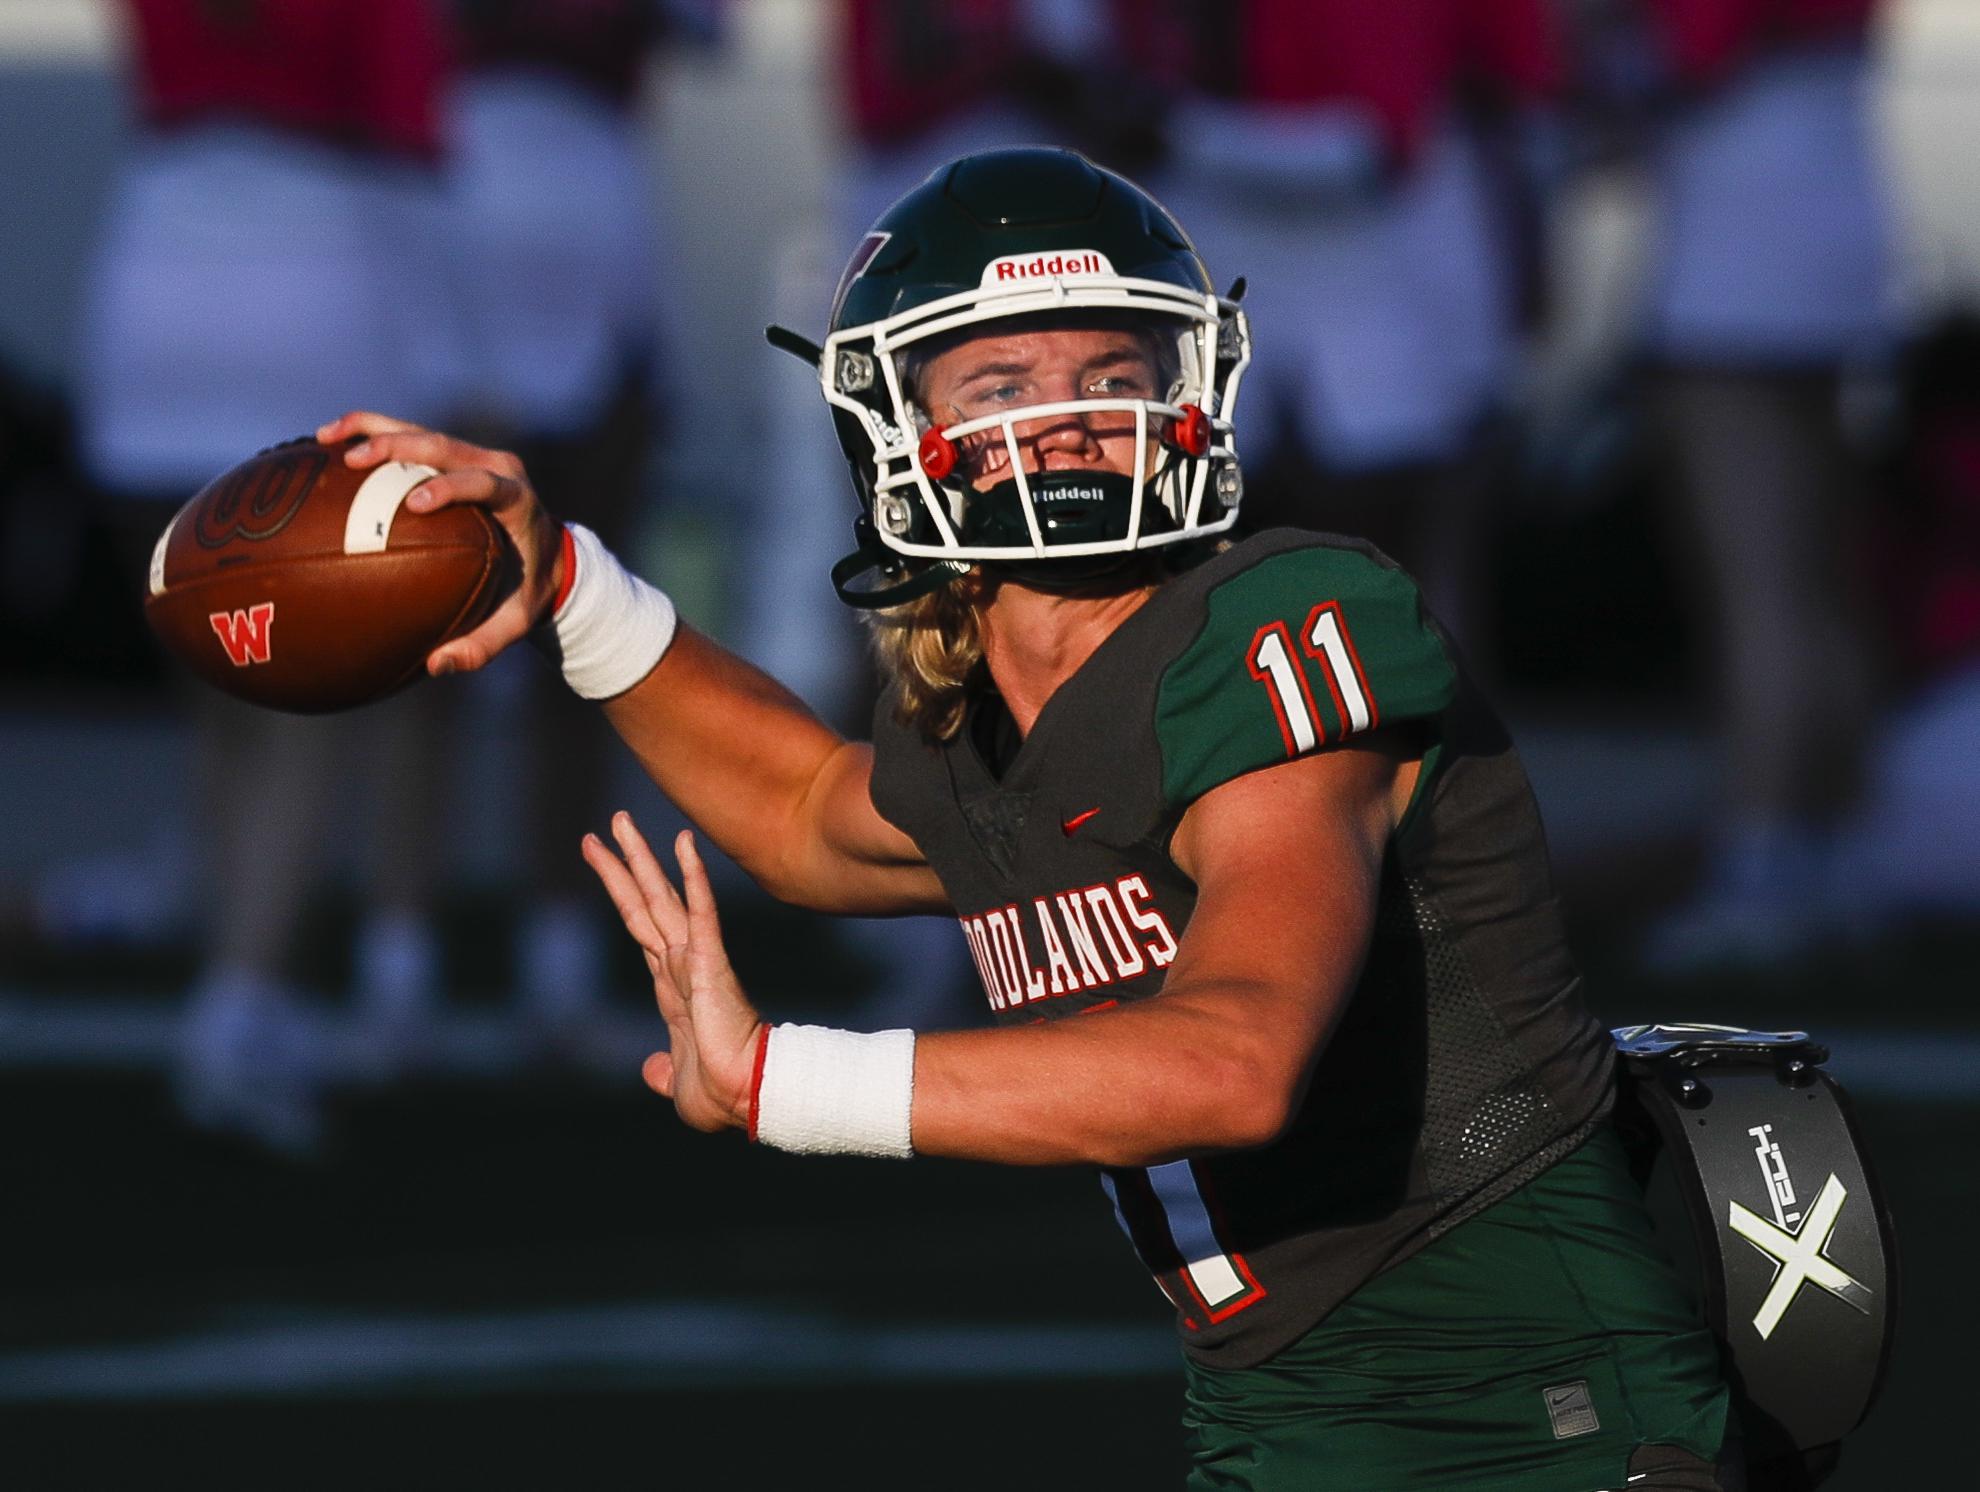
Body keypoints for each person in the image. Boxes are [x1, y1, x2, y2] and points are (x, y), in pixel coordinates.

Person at [320, 148, 1737, 1489]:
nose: (1064, 412)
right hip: (1283, 1396)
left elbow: (1235, 1059)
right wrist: (567, 583)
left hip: (1524, 1398)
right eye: (1000, 378)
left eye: (1110, 369)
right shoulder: (985, 725)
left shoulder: (1286, 619)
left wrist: (783, 1084)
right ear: (900, 424)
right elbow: (813, 816)